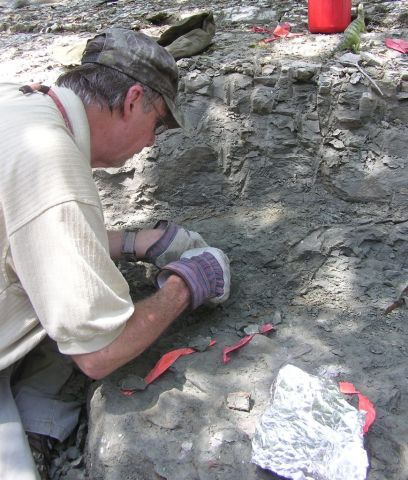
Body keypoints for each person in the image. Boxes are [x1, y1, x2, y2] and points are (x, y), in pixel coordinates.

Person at [0, 28, 230, 480]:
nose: (151, 143)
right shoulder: (52, 162)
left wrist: (133, 242)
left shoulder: (20, 102)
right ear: (133, 100)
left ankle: (43, 430)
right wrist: (187, 284)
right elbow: (99, 352)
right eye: (159, 124)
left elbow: (24, 232)